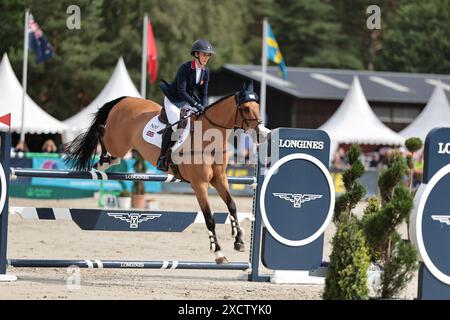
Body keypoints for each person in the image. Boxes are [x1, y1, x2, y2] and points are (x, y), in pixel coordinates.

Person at [157, 39, 215, 171]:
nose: (207, 57)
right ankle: (162, 158)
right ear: (196, 54)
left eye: (208, 55)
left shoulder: (206, 72)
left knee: (201, 120)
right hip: (174, 100)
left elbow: (204, 94)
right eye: (204, 54)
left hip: (187, 100)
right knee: (176, 125)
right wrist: (195, 104)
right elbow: (181, 91)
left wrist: (204, 107)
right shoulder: (185, 68)